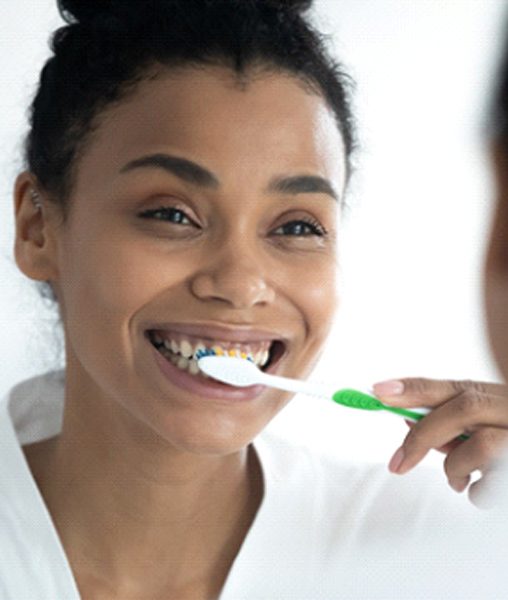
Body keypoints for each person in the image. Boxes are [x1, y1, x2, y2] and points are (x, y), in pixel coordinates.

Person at [2, 1, 507, 598]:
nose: (241, 283)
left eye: (297, 227)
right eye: (171, 215)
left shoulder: (443, 554)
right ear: (38, 227)